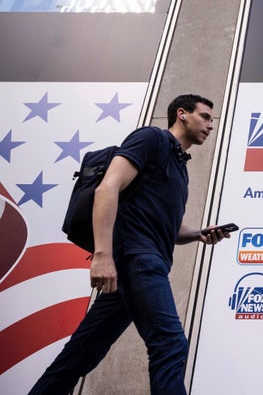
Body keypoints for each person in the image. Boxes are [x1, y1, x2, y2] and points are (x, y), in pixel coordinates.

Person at [30, 94, 232, 395]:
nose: (210, 125)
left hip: (141, 266)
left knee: (79, 355)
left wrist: (200, 233)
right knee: (170, 343)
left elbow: (169, 228)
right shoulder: (151, 138)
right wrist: (102, 254)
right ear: (182, 114)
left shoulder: (180, 169)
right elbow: (107, 187)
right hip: (137, 260)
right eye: (205, 116)